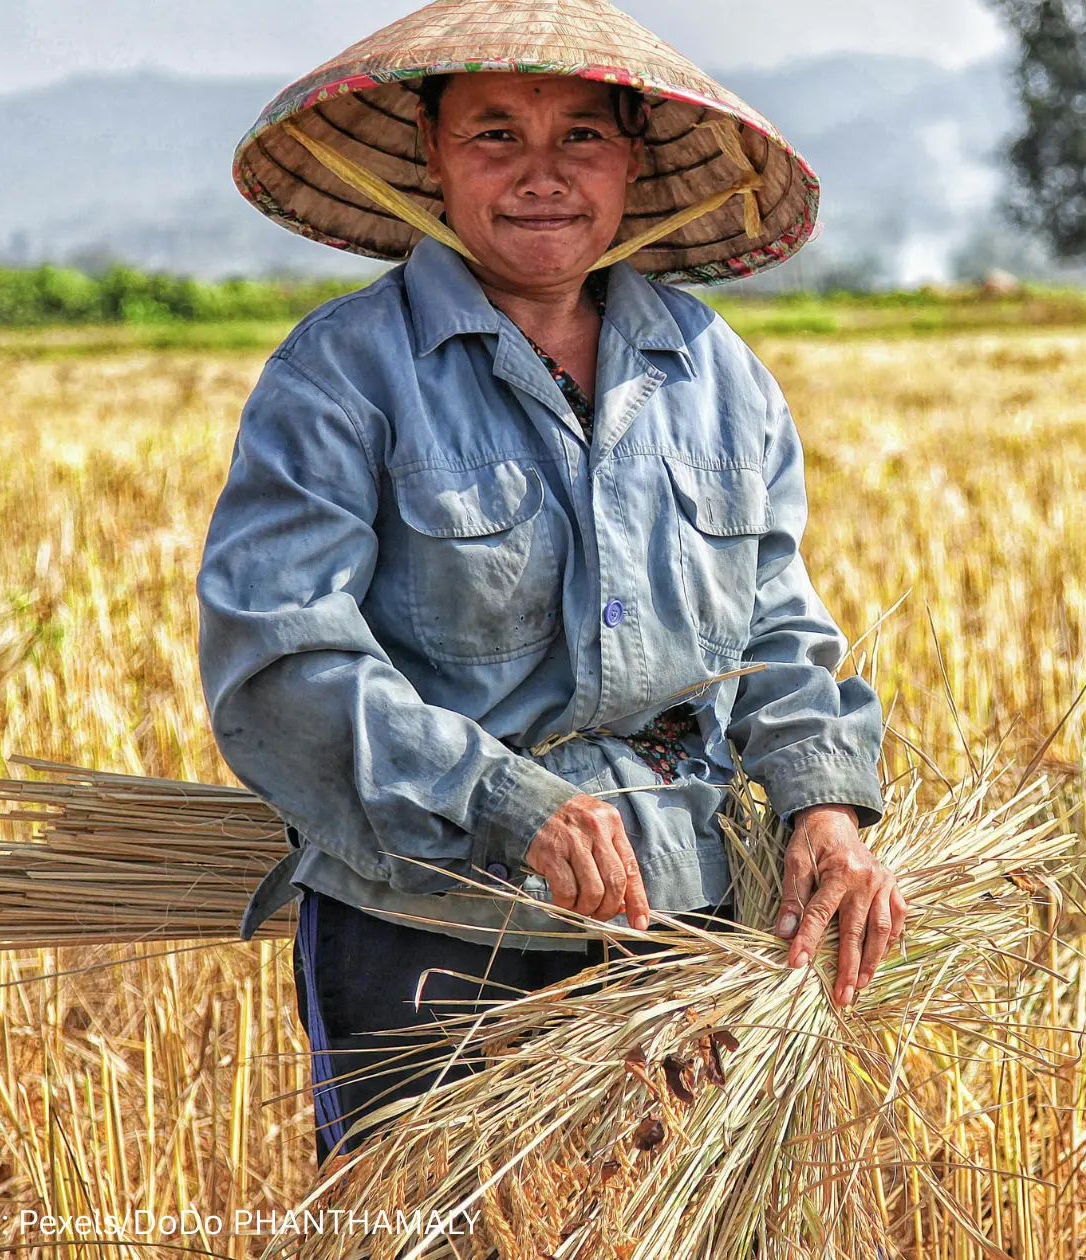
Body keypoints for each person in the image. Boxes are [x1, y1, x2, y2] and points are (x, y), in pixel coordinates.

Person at [197, 0, 904, 1161]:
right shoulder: (340, 376)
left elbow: (777, 624)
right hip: (428, 923)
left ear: (634, 161)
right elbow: (281, 659)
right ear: (431, 159)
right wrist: (507, 801)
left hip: (683, 908)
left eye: (581, 136)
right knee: (429, 1229)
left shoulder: (714, 373)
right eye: (494, 137)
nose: (542, 176)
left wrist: (823, 805)